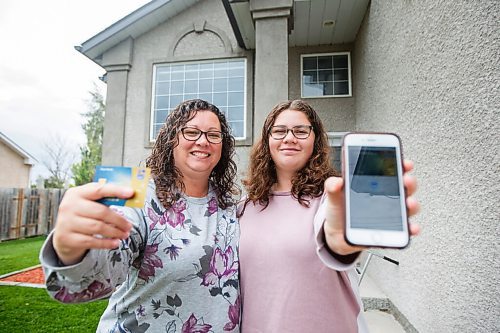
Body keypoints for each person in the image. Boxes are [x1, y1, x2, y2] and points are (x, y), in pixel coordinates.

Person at [40, 99, 241, 332]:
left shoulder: (228, 202)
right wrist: (72, 250)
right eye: (191, 131)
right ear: (170, 140)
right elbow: (105, 262)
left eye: (213, 135)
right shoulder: (135, 190)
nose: (203, 141)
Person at [238, 100, 420, 332]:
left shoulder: (331, 199)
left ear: (315, 141)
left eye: (301, 131)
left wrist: (341, 240)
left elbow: (335, 238)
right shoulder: (245, 206)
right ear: (267, 141)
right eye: (280, 130)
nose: (289, 137)